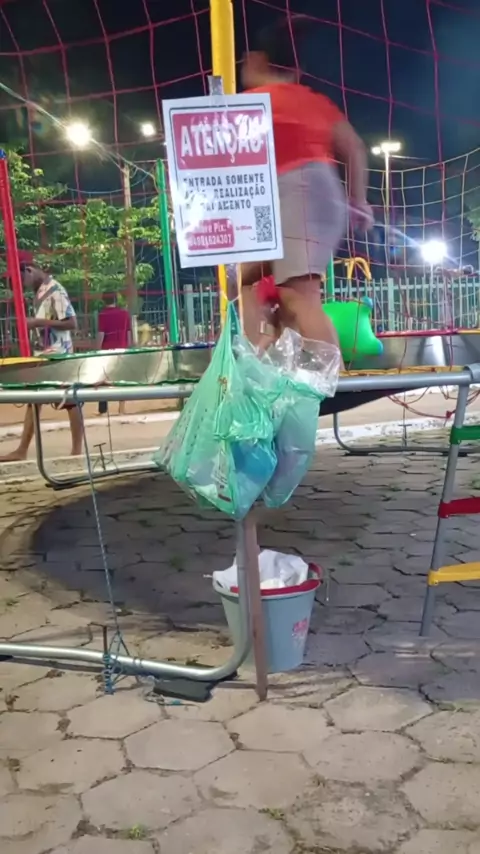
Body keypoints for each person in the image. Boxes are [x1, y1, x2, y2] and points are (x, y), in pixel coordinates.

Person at [240, 17, 374, 352]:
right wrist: (358, 200)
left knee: (298, 295)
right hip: (308, 193)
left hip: (299, 191)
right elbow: (354, 147)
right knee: (248, 284)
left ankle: (328, 374)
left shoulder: (253, 102)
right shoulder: (313, 100)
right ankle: (269, 358)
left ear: (256, 60)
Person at [0, 253, 83, 461]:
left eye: (22, 280)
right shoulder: (40, 293)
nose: (22, 286)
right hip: (45, 354)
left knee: (69, 402)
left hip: (59, 355)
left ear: (29, 270)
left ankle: (75, 450)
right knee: (35, 400)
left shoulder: (55, 290)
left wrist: (38, 323)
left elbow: (72, 323)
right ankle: (23, 449)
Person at [95, 296, 132, 415]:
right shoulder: (125, 314)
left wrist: (97, 350)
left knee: (103, 378)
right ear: (116, 300)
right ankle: (121, 408)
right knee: (122, 379)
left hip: (106, 351)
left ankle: (103, 409)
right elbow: (129, 333)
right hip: (122, 349)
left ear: (103, 301)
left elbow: (101, 334)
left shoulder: (102, 315)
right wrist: (129, 348)